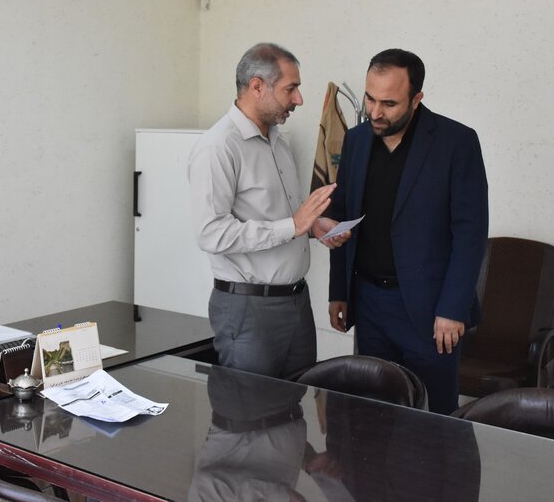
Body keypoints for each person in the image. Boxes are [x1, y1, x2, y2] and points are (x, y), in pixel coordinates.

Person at [326, 48, 488, 414]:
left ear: (416, 99)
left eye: (389, 103)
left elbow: (470, 234)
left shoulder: (456, 142)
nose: (375, 112)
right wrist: (340, 291)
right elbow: (342, 217)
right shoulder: (356, 140)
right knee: (373, 411)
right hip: (369, 303)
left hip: (431, 310)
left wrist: (453, 309)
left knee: (436, 417)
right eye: (370, 98)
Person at [188, 43, 348, 380]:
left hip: (296, 303)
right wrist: (293, 225)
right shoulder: (219, 147)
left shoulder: (278, 140)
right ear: (257, 86)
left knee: (296, 403)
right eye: (291, 88)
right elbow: (210, 233)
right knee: (248, 408)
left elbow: (280, 215)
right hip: (248, 309)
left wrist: (313, 225)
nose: (299, 99)